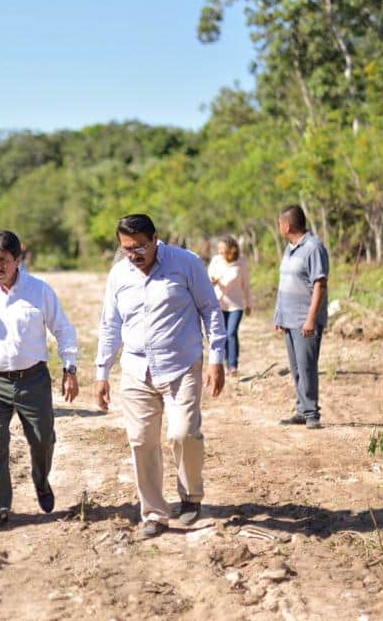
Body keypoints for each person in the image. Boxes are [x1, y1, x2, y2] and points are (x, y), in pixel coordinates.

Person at [94, 214, 226, 540]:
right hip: (137, 370)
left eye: (140, 246)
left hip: (181, 365)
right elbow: (110, 326)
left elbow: (210, 309)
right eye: (127, 248)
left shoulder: (185, 263)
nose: (134, 254)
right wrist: (101, 372)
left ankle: (191, 495)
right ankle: (154, 512)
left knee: (182, 433)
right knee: (141, 440)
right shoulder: (119, 275)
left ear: (155, 239)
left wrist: (217, 359)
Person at [0, 230, 79, 532]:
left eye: (4, 260)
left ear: (18, 260)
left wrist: (70, 368)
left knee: (43, 439)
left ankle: (40, 478)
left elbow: (63, 329)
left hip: (33, 379)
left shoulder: (39, 291)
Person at [273, 205, 329, 429]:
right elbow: (284, 283)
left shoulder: (313, 248)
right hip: (289, 318)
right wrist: (279, 315)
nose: (279, 227)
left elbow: (320, 284)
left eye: (280, 223)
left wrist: (311, 319)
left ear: (286, 225)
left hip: (305, 319)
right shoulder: (290, 248)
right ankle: (301, 410)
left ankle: (312, 414)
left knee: (307, 367)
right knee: (296, 368)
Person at [208, 235, 253, 376]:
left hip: (236, 305)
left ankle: (233, 366)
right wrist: (212, 281)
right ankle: (224, 364)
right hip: (219, 303)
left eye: (223, 249)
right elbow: (208, 277)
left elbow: (246, 285)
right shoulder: (216, 260)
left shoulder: (241, 263)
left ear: (231, 249)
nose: (220, 252)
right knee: (222, 335)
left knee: (231, 333)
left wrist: (249, 303)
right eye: (219, 249)